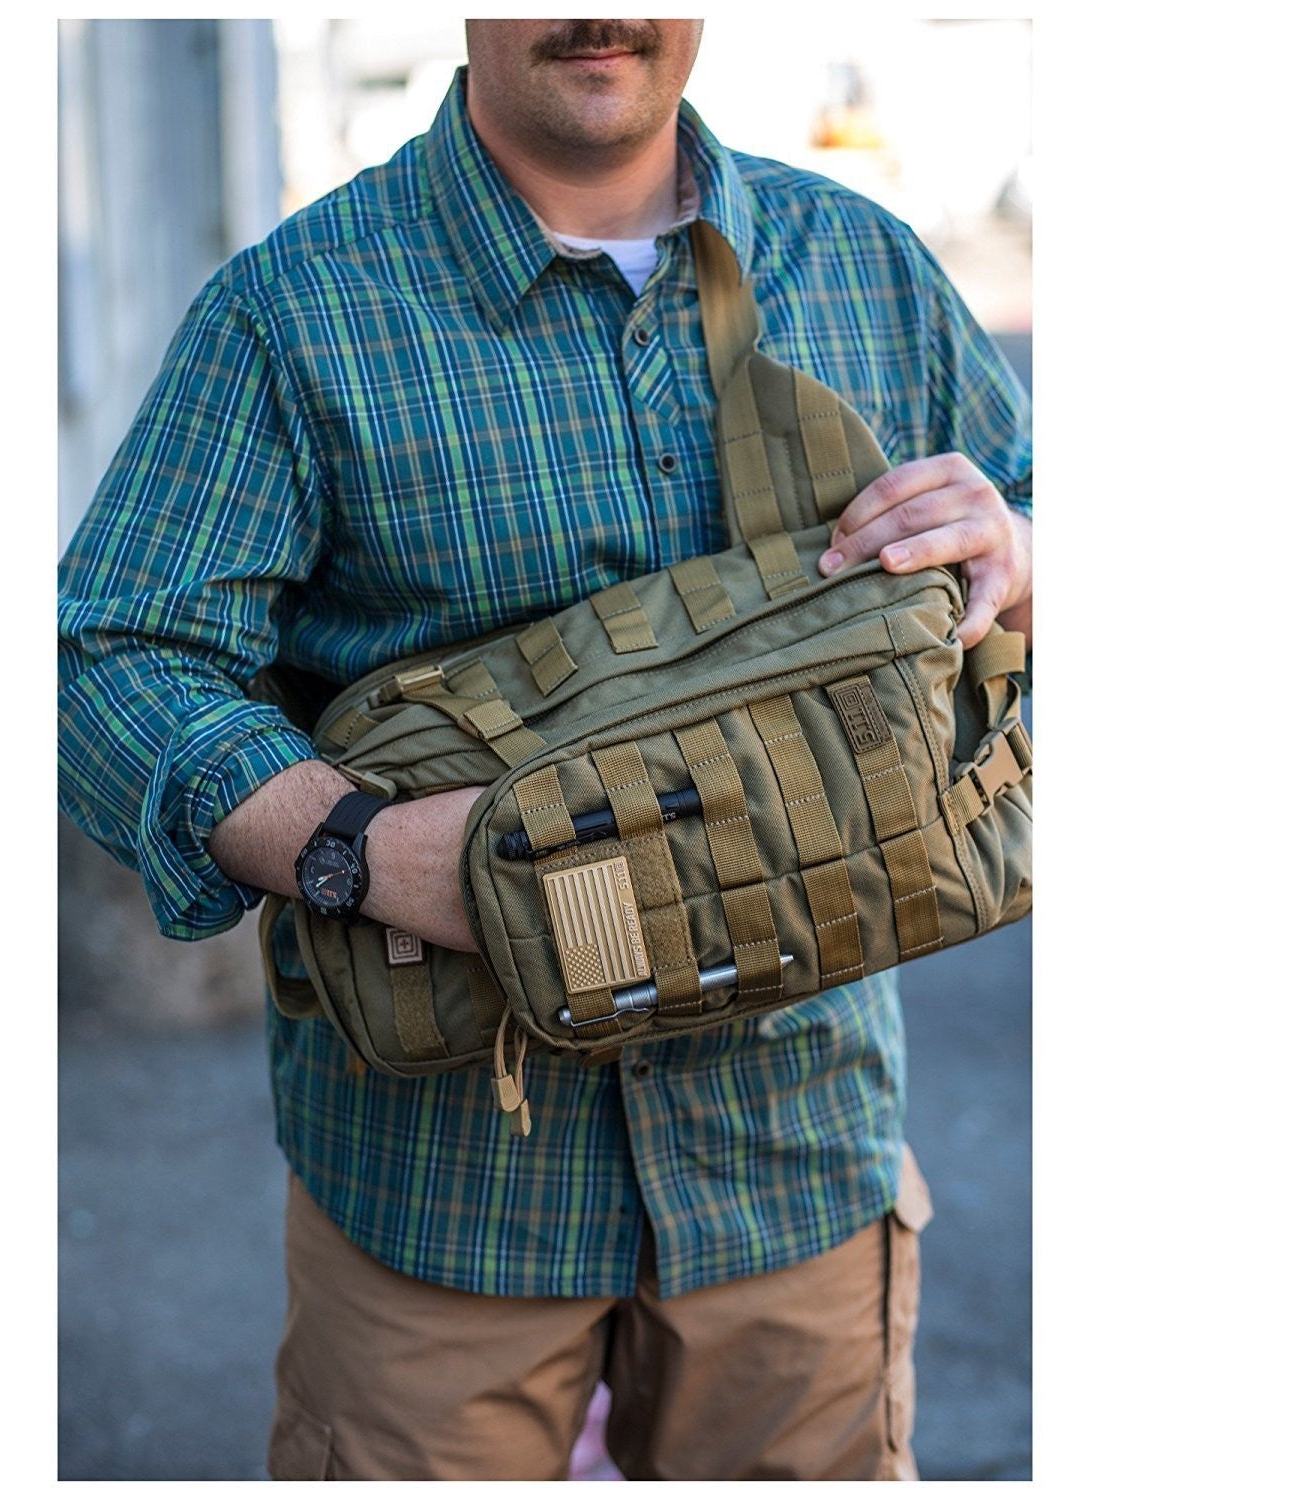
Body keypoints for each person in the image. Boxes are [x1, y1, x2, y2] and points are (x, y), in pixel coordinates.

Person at [58, 18, 1032, 1481]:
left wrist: (1026, 545)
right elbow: (111, 655)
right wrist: (360, 853)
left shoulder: (866, 262)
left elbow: (1025, 511)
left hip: (799, 1167)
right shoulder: (295, 309)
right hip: (440, 1203)